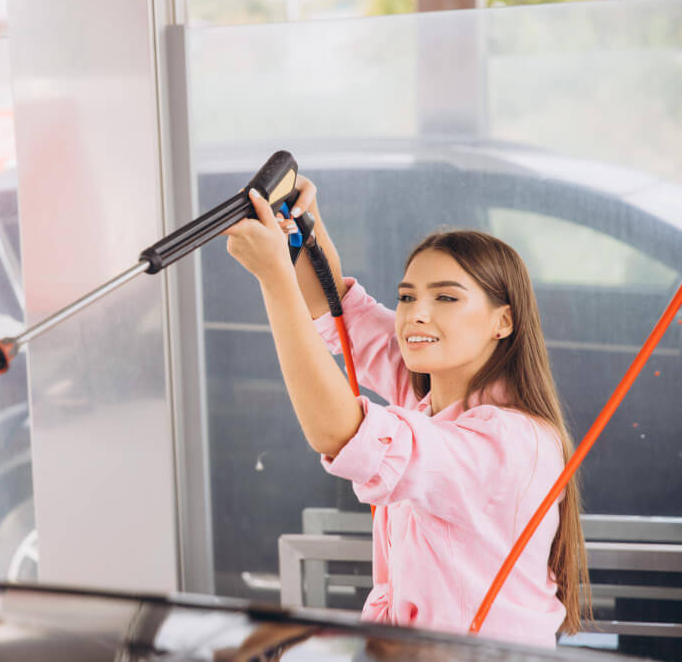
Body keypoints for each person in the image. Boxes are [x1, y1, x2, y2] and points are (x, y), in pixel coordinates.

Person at [222, 175, 590, 648]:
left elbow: (340, 433)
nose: (416, 314)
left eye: (446, 298)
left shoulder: (510, 443)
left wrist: (275, 279)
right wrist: (300, 232)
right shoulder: (428, 394)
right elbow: (337, 308)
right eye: (407, 296)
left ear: (504, 321)